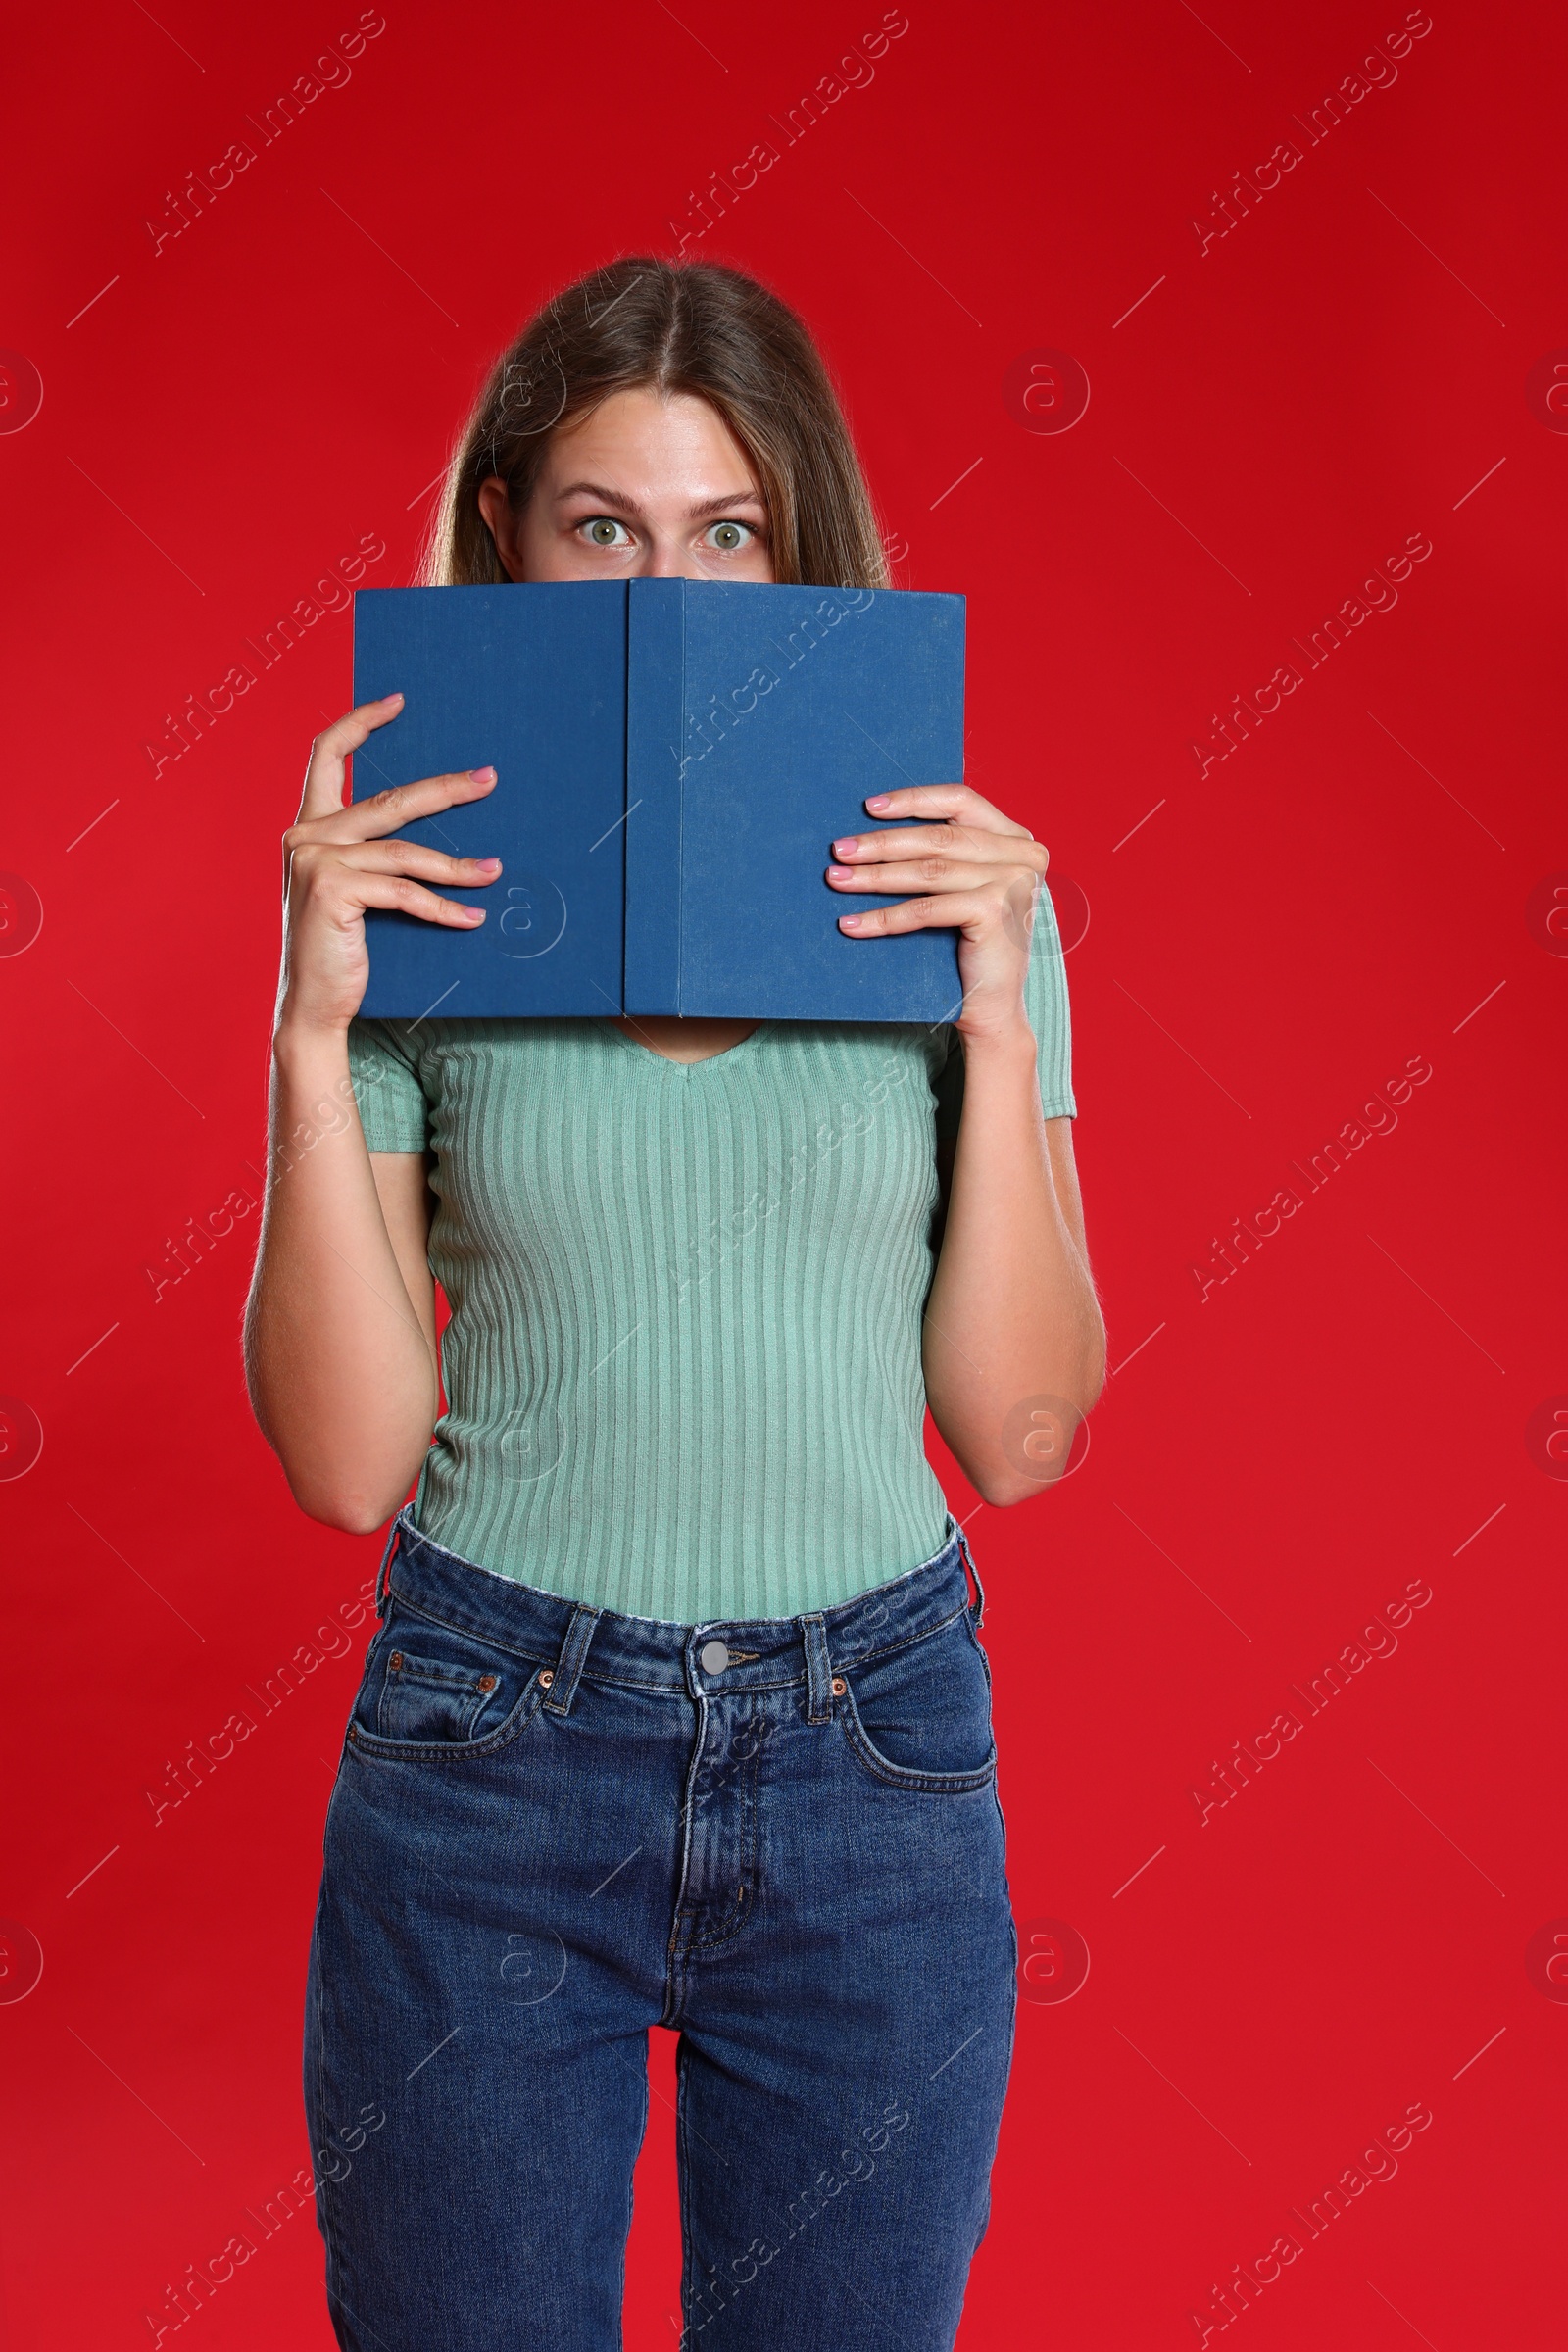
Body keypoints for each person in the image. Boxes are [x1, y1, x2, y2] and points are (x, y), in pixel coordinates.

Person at [244, 255, 1105, 2352]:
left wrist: (995, 1017)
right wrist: (308, 1026)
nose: (668, 585)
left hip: (871, 1757)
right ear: (510, 548)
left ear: (798, 550)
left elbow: (1014, 1433)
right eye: (602, 528)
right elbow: (345, 1466)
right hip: (492, 1743)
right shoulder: (425, 907)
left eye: (727, 532)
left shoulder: (944, 898)